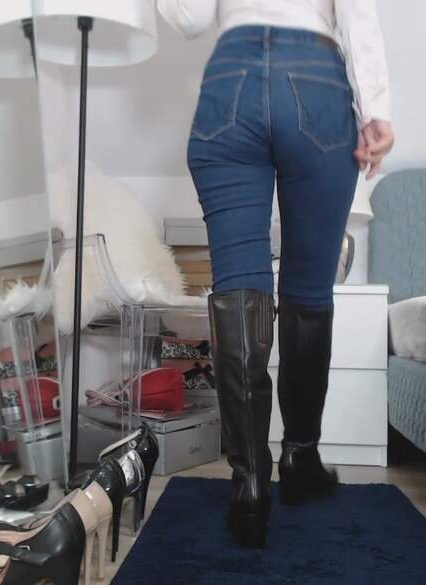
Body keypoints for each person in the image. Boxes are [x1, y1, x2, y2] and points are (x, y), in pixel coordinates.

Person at [157, 0, 394, 549]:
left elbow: (189, 18)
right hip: (314, 79)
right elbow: (357, 12)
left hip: (229, 83)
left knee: (238, 288)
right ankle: (301, 457)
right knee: (308, 289)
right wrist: (376, 108)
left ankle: (248, 484)